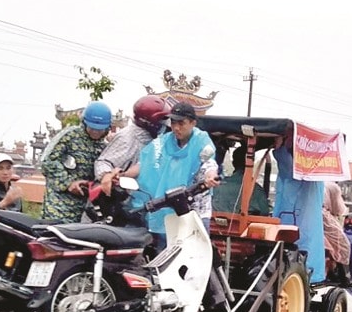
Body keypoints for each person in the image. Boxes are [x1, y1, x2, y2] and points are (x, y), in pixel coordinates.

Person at [136, 101, 219, 244]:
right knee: (164, 253)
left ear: (193, 123)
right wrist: (120, 175)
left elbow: (209, 163)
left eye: (181, 123)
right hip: (168, 207)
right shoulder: (163, 142)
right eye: (173, 123)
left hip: (195, 210)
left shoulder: (201, 140)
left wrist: (211, 176)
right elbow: (144, 164)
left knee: (195, 253)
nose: (176, 128)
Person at [40, 101, 112, 223]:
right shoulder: (70, 135)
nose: (95, 132)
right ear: (84, 122)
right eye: (92, 128)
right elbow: (47, 162)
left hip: (87, 207)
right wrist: (69, 183)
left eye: (99, 129)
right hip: (60, 205)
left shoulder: (104, 147)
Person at [94, 95, 171, 196]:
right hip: (123, 198)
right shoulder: (127, 139)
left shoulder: (155, 139)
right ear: (149, 122)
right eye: (162, 120)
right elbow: (103, 162)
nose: (165, 124)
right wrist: (106, 175)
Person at [212, 145, 270, 216]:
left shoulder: (217, 185)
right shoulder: (257, 190)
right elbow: (265, 212)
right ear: (252, 164)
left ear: (233, 163)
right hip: (246, 226)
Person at [323, 181, 351, 277]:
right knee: (343, 244)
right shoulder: (332, 187)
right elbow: (338, 209)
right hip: (322, 217)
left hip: (295, 215)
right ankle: (343, 275)